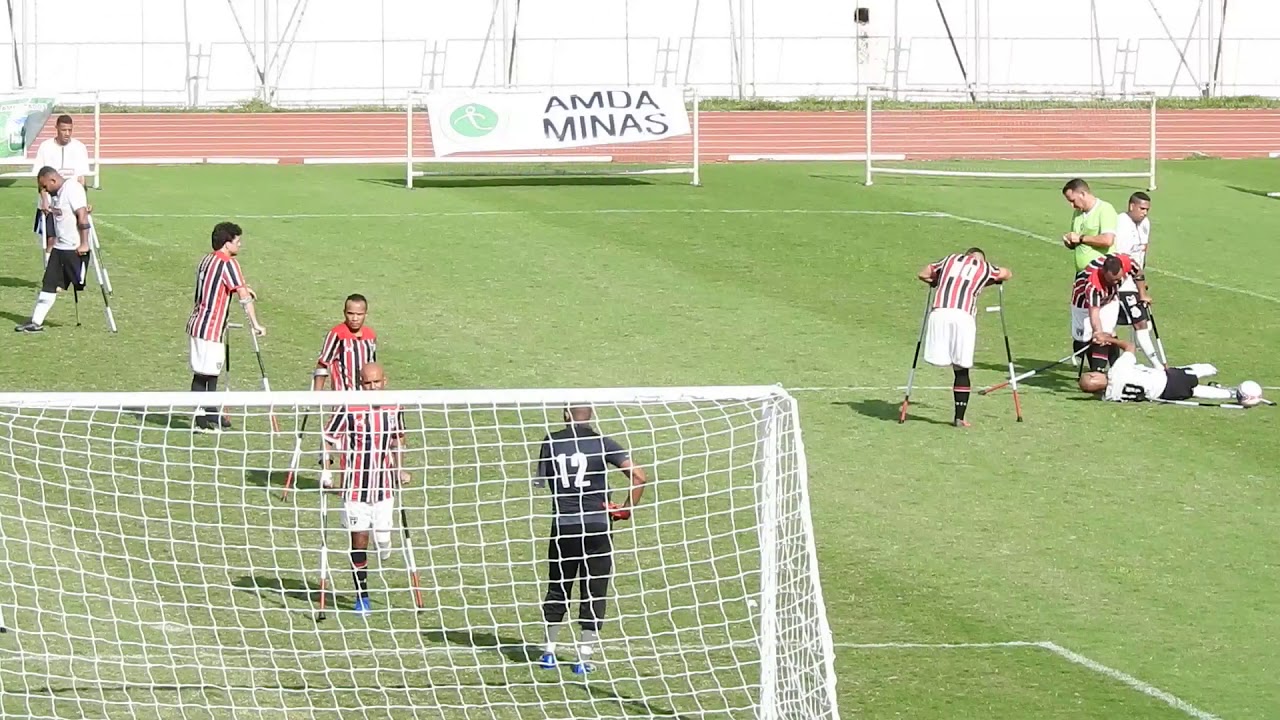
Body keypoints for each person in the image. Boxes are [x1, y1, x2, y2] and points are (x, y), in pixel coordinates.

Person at [534, 404, 647, 674]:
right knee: (594, 589)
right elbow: (639, 476)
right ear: (592, 415)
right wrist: (624, 508)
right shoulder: (603, 443)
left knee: (558, 586)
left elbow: (541, 480)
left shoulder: (551, 442)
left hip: (564, 526)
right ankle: (584, 659)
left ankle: (548, 652)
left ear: (565, 415)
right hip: (596, 526)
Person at [321, 362, 409, 616]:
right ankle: (363, 597)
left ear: (385, 381)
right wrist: (327, 472)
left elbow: (398, 438)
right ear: (360, 384)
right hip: (354, 488)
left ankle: (385, 544)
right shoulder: (348, 406)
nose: (372, 387)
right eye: (367, 383)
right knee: (358, 542)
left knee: (382, 541)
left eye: (376, 382)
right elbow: (328, 438)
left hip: (383, 487)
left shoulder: (394, 406)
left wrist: (399, 468)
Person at [916, 248, 1013, 427]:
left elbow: (923, 274)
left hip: (940, 313)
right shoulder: (984, 268)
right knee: (961, 368)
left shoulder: (949, 259)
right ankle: (959, 418)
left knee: (942, 360)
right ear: (981, 259)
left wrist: (936, 282)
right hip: (963, 317)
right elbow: (1007, 274)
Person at [185, 222, 266, 432]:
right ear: (227, 243)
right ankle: (204, 418)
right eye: (237, 241)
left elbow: (220, 284)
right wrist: (255, 324)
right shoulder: (228, 263)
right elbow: (243, 297)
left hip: (198, 323)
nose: (240, 245)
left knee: (206, 373)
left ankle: (208, 414)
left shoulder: (207, 260)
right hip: (211, 326)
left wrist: (244, 288)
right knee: (207, 374)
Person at [13, 167, 93, 334]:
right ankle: (36, 322)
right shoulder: (54, 193)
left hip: (75, 249)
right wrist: (44, 200)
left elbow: (82, 215)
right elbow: (47, 196)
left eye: (45, 186)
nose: (44, 190)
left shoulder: (72, 189)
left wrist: (84, 243)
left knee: (79, 283)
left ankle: (65, 283)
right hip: (59, 247)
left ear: (53, 181)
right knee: (48, 284)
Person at [1079, 334, 1252, 405]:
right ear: (1095, 374)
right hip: (1168, 378)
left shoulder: (1109, 396)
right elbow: (1130, 346)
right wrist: (1108, 338)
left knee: (1196, 392)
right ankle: (1215, 371)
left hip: (1165, 394)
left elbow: (1095, 390)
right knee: (1197, 371)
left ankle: (1232, 394)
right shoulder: (1117, 371)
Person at [31, 115, 92, 268]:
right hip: (51, 203)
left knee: (73, 237)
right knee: (51, 239)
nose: (67, 133)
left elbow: (81, 178)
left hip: (72, 202)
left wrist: (84, 202)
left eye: (70, 130)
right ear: (56, 128)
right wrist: (44, 199)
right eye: (63, 130)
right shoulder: (45, 147)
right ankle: (51, 273)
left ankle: (70, 272)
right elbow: (40, 178)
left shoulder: (79, 147)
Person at [1111, 192, 1163, 366]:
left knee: (1141, 325)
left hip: (1135, 280)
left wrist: (1141, 279)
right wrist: (1138, 285)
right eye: (1142, 208)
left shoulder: (1145, 224)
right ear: (1131, 206)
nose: (1145, 213)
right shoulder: (1121, 224)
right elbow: (1124, 259)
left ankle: (1130, 363)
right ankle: (1160, 367)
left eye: (1147, 209)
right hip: (1123, 283)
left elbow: (1142, 252)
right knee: (1140, 324)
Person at [1071, 253, 1136, 372]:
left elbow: (1139, 273)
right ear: (1103, 272)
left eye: (1119, 279)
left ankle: (1103, 371)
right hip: (1084, 305)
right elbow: (1094, 312)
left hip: (1109, 299)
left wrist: (1143, 294)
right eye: (1112, 280)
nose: (1116, 282)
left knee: (1107, 333)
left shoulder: (1126, 262)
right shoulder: (1093, 285)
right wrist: (1097, 331)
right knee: (1086, 338)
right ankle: (1090, 360)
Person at [313, 294, 378, 392]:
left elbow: (372, 367)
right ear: (344, 313)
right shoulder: (337, 334)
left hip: (366, 399)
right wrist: (316, 396)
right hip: (343, 399)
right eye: (350, 313)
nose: (354, 318)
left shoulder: (370, 335)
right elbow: (322, 365)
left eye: (359, 314)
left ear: (365, 314)